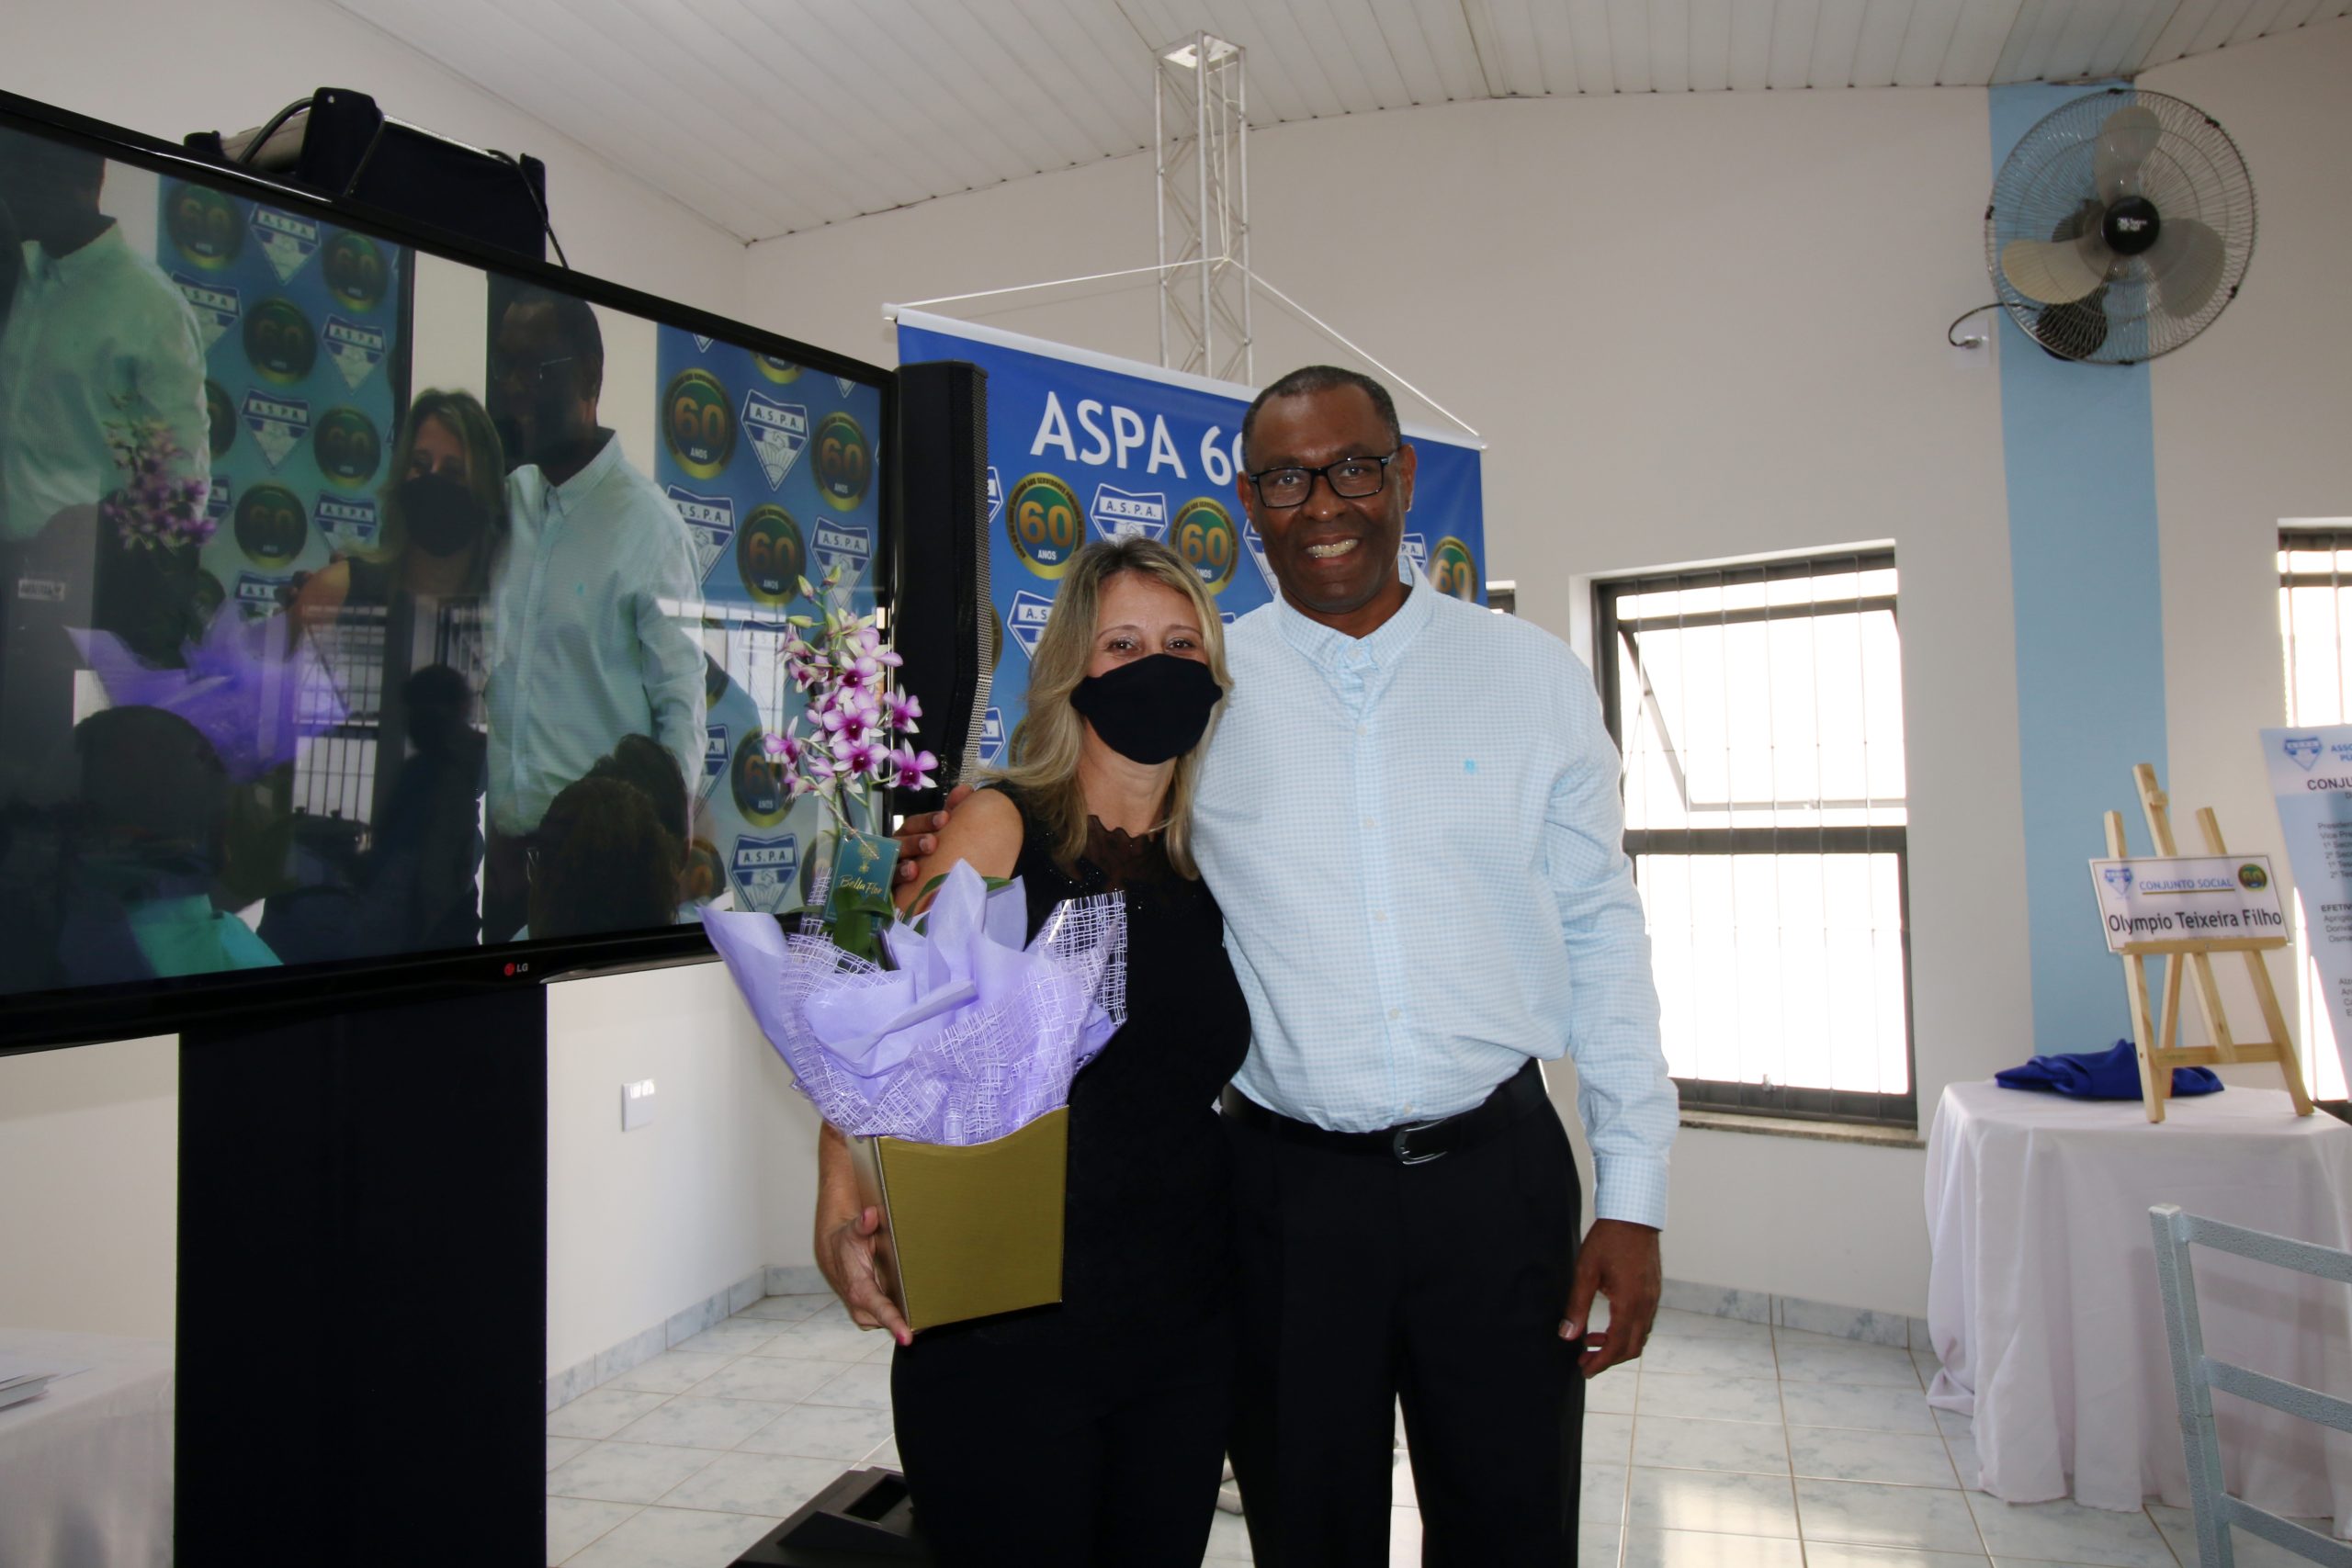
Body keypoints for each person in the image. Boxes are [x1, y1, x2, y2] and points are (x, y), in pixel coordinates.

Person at [899, 367, 1678, 1566]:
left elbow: (1603, 931)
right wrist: (944, 842)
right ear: (1248, 502)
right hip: (1284, 1207)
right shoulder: (1207, 692)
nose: (1323, 503)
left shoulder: (1532, 680)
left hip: (1497, 1186)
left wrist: (1634, 1187)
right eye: (1285, 479)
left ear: (1402, 475)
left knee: (1513, 1532)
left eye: (1353, 467)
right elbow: (1064, 826)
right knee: (1307, 1537)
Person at [819, 536, 1249, 1567]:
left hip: (1182, 1329)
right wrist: (837, 1201)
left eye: (1182, 643)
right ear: (1070, 672)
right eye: (1123, 643)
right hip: (1005, 1336)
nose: (1156, 665)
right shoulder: (997, 829)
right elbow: (870, 1025)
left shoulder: (1211, 863)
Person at [481, 287, 703, 941]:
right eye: (505, 368)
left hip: (600, 876)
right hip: (505, 868)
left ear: (589, 376)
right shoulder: (506, 504)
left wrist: (661, 853)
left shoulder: (651, 529)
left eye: (533, 370)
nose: (513, 390)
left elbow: (681, 709)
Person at [0, 131, 211, 795]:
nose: (6, 194)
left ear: (73, 183)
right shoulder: (19, 275)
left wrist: (90, 527)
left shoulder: (147, 308)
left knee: (58, 790)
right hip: (9, 586)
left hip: (86, 596)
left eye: (17, 178)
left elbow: (178, 494)